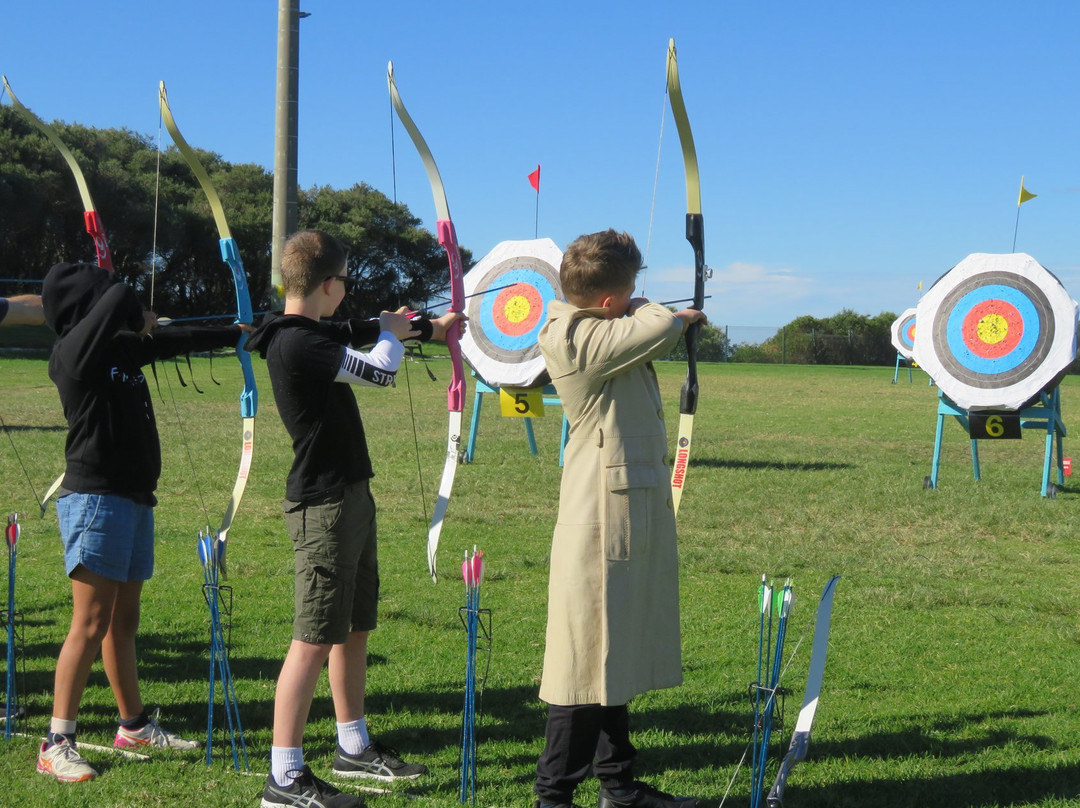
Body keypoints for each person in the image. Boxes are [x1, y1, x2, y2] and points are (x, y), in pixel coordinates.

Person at [247, 229, 461, 808]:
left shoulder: (311, 331)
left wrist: (430, 327)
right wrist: (392, 333)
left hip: (349, 497)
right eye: (344, 280)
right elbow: (379, 370)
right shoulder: (296, 342)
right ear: (328, 284)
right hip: (323, 505)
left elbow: (364, 330)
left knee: (352, 626)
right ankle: (284, 779)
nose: (347, 291)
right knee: (313, 639)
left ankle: (353, 746)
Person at [36, 262, 250, 782]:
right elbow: (120, 297)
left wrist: (239, 333)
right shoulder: (72, 354)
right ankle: (56, 742)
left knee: (122, 622)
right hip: (95, 500)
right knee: (90, 623)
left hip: (132, 499)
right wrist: (133, 310)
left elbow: (178, 340)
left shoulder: (120, 350)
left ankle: (132, 724)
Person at [532, 230, 707, 808]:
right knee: (582, 664)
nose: (638, 298)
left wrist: (650, 312)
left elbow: (645, 332)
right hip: (596, 518)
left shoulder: (602, 329)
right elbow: (656, 327)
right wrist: (666, 313)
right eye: (630, 290)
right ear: (610, 301)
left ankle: (619, 786)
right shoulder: (573, 335)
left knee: (611, 652)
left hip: (619, 511)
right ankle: (553, 797)